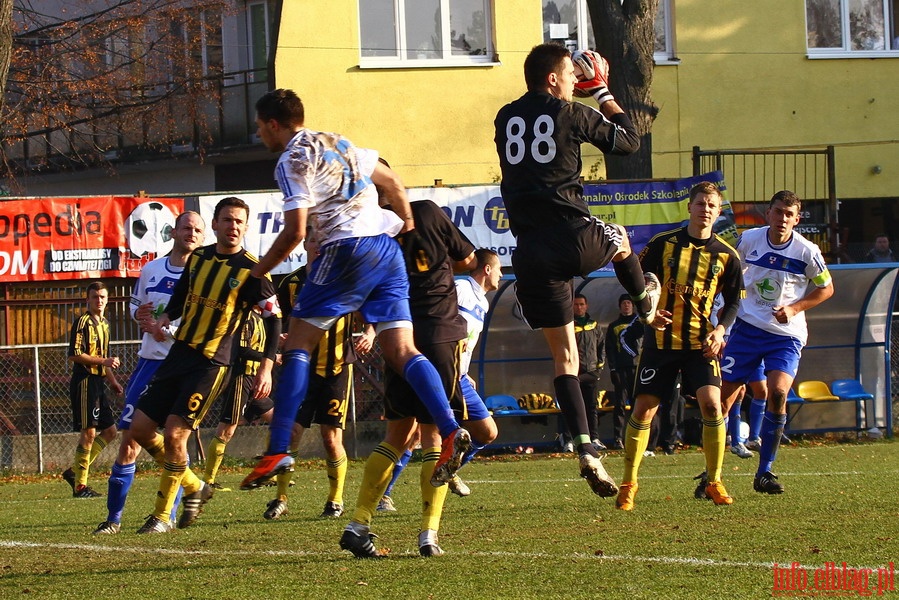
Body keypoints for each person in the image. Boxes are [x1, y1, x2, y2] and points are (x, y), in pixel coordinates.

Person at [241, 89, 471, 551]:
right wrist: (404, 231)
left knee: (297, 346)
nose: (260, 134)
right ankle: (450, 432)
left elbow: (297, 232)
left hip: (345, 249)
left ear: (271, 124)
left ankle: (278, 450)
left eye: (260, 127)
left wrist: (257, 273)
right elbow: (395, 187)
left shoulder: (291, 160)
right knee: (402, 350)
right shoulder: (340, 142)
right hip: (387, 250)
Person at [493, 43, 654, 498]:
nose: (570, 83)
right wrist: (601, 91)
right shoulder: (570, 112)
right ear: (552, 80)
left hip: (529, 251)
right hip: (570, 233)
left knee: (566, 359)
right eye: (567, 76)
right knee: (621, 239)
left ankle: (585, 449)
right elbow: (628, 141)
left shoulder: (505, 117)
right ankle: (646, 308)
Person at [339, 197, 493, 558]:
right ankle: (428, 534)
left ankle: (358, 523)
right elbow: (468, 261)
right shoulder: (426, 211)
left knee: (397, 435)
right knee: (434, 439)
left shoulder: (368, 229)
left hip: (399, 336)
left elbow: (360, 294)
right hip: (439, 332)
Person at [129, 196, 282, 534]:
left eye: (239, 221)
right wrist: (163, 318)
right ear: (215, 224)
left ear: (246, 226)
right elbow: (181, 297)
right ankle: (195, 485)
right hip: (179, 352)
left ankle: (160, 517)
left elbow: (274, 320)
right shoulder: (198, 257)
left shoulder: (253, 271)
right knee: (139, 429)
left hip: (212, 362)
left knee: (174, 433)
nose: (233, 227)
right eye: (227, 220)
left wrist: (267, 368)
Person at [616, 181, 744, 511]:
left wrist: (720, 330)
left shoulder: (727, 256)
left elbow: (732, 303)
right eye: (700, 203)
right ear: (690, 207)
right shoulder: (663, 244)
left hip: (701, 344)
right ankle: (629, 483)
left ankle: (714, 480)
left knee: (713, 406)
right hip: (661, 342)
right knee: (644, 409)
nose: (705, 209)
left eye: (712, 206)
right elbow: (634, 276)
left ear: (718, 212)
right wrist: (646, 309)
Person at [92, 211, 205, 534]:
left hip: (184, 365)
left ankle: (166, 515)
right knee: (130, 439)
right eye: (187, 228)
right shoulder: (152, 269)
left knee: (174, 440)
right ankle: (113, 519)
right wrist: (139, 316)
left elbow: (201, 322)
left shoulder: (203, 275)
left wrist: (166, 330)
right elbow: (135, 306)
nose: (192, 233)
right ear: (175, 232)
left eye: (198, 230)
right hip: (149, 362)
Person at [719, 190, 834, 495]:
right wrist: (724, 311)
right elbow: (730, 272)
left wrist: (795, 308)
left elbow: (827, 288)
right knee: (723, 398)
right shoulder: (749, 240)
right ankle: (712, 475)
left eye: (789, 214)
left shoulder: (808, 252)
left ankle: (765, 472)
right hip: (746, 327)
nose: (782, 218)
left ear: (797, 219)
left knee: (779, 392)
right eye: (778, 211)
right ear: (767, 213)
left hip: (785, 335)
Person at [377, 248, 503, 510]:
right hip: (440, 371)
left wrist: (464, 369)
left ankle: (449, 469)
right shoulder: (462, 287)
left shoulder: (482, 301)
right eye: (500, 269)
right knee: (414, 434)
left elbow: (465, 338)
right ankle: (383, 496)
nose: (502, 275)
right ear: (487, 269)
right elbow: (438, 322)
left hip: (459, 376)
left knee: (486, 432)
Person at [261, 233, 375, 521]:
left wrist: (371, 333)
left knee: (330, 437)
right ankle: (281, 498)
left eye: (327, 241)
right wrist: (279, 342)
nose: (320, 246)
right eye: (315, 240)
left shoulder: (346, 280)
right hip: (301, 370)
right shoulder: (291, 283)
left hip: (336, 368)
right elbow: (274, 321)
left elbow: (370, 313)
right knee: (292, 434)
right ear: (305, 245)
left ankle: (335, 501)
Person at [63, 281, 124, 498]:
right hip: (85, 381)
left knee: (110, 431)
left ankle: (76, 471)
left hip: (98, 383)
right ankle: (81, 486)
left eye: (102, 297)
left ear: (107, 300)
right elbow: (74, 354)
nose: (99, 301)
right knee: (89, 432)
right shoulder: (82, 322)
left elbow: (103, 358)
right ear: (87, 299)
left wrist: (113, 381)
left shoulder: (105, 324)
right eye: (95, 297)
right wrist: (104, 361)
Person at [202, 307, 273, 491]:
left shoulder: (260, 317)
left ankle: (266, 472)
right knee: (227, 430)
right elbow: (241, 349)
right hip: (241, 378)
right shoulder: (246, 315)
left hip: (255, 379)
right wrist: (270, 357)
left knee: (278, 422)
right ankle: (208, 481)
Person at [571, 294, 605, 450]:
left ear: (587, 306)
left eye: (581, 304)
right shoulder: (570, 325)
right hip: (575, 373)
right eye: (576, 304)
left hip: (591, 371)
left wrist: (599, 366)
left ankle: (594, 438)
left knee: (591, 407)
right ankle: (572, 439)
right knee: (574, 407)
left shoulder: (594, 325)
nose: (579, 307)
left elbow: (601, 346)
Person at [605, 294, 639, 450]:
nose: (627, 305)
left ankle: (636, 437)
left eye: (629, 303)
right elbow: (609, 349)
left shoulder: (640, 322)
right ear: (620, 306)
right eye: (624, 303)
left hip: (637, 368)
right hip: (620, 369)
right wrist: (612, 369)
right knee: (619, 405)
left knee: (637, 405)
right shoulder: (614, 326)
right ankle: (618, 438)